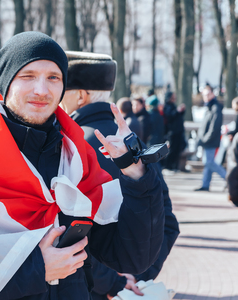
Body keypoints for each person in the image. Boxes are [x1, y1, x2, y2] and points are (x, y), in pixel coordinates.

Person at [0, 32, 164, 299]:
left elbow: (131, 258)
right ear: (6, 84)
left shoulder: (78, 161)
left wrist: (136, 174)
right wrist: (36, 270)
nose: (41, 90)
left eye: (53, 77)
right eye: (27, 76)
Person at [60, 50, 179, 300]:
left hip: (85, 287)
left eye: (62, 88)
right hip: (127, 287)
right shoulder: (134, 144)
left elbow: (69, 233)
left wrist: (113, 282)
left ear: (80, 95)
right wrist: (137, 276)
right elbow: (167, 222)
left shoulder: (69, 144)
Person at [195, 85, 226, 191]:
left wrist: (206, 138)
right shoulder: (209, 106)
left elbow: (215, 126)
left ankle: (228, 178)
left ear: (213, 94)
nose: (205, 96)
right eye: (204, 95)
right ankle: (205, 184)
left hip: (210, 140)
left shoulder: (215, 107)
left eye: (208, 94)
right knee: (208, 162)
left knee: (209, 162)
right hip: (207, 139)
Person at [163, 91, 186, 171]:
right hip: (172, 132)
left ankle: (174, 166)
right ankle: (168, 166)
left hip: (178, 132)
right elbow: (170, 116)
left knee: (177, 150)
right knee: (171, 150)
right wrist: (178, 111)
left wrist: (182, 111)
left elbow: (178, 116)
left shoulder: (173, 106)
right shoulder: (167, 106)